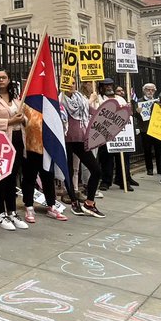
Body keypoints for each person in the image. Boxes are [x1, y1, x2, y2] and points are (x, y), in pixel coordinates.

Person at [0, 69, 29, 230]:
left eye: (4, 77)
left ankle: (12, 211)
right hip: (1, 143)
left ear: (9, 80)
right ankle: (0, 213)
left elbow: (23, 117)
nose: (1, 80)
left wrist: (23, 119)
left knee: (12, 178)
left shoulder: (16, 99)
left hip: (17, 140)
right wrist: (8, 121)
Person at [59, 82, 104, 217]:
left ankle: (89, 203)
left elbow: (94, 112)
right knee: (69, 171)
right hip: (65, 140)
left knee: (96, 170)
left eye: (73, 82)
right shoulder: (59, 100)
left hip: (80, 140)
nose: (71, 85)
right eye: (67, 82)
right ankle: (73, 202)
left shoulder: (81, 99)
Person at [21, 103, 69, 220]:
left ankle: (51, 205)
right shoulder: (26, 103)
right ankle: (29, 206)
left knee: (48, 176)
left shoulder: (50, 103)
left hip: (47, 146)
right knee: (29, 177)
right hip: (30, 145)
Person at [136, 82, 159, 175]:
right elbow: (134, 115)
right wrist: (137, 112)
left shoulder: (157, 101)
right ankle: (149, 168)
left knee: (158, 150)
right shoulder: (139, 101)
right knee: (147, 150)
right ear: (144, 91)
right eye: (148, 90)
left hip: (157, 129)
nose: (150, 92)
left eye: (152, 90)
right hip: (145, 129)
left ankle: (160, 168)